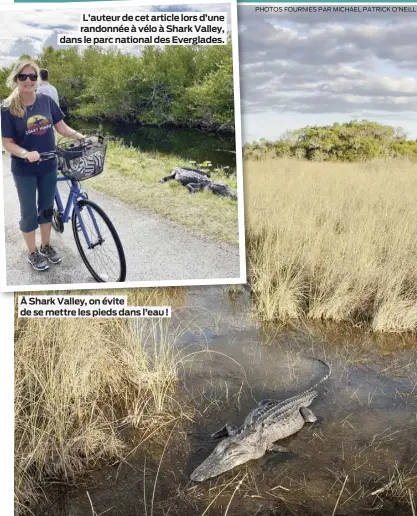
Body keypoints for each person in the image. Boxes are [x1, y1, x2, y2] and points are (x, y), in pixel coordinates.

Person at [1, 59, 86, 272]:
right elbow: (7, 143)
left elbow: (62, 127)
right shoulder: (7, 108)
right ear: (16, 79)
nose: (28, 80)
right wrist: (25, 153)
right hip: (24, 169)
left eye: (33, 76)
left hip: (49, 165)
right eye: (23, 76)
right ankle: (32, 252)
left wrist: (83, 137)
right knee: (29, 212)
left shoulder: (46, 101)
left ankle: (46, 246)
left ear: (38, 79)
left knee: (46, 209)